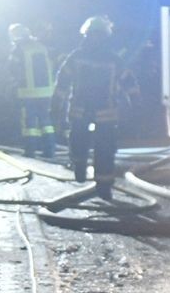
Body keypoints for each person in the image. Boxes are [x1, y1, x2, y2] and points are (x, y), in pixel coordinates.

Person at [51, 16, 139, 199]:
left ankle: (83, 169)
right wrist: (135, 102)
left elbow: (62, 84)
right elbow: (129, 83)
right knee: (104, 149)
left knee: (82, 142)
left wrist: (56, 106)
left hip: (82, 110)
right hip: (104, 112)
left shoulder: (76, 56)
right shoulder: (114, 59)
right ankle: (103, 185)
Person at [7, 23, 57, 157]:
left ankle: (30, 151)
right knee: (46, 122)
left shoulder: (18, 49)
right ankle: (49, 150)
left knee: (29, 124)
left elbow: (13, 69)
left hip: (28, 92)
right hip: (47, 92)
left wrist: (14, 85)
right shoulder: (41, 47)